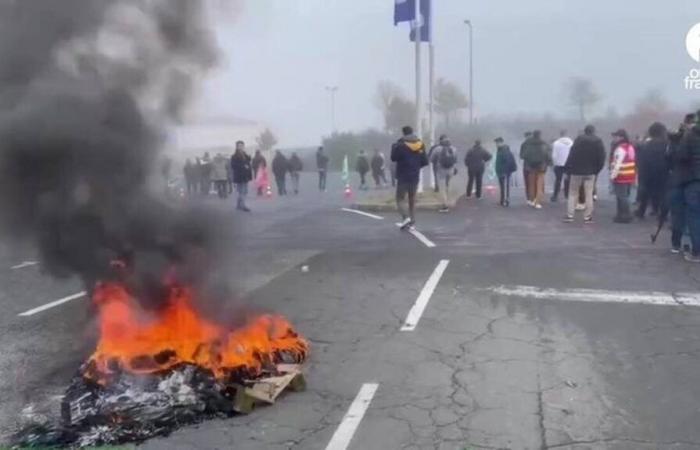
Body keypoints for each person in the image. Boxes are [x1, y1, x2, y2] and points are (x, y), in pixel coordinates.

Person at [563, 125, 606, 223]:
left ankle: (570, 215)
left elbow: (571, 155)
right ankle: (587, 216)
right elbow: (602, 157)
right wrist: (596, 170)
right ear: (594, 131)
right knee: (589, 194)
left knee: (573, 193)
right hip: (590, 172)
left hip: (576, 171)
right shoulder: (598, 141)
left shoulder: (578, 140)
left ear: (584, 131)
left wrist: (568, 169)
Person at [391, 125, 428, 229]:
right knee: (412, 198)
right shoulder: (420, 144)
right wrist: (416, 166)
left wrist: (395, 147)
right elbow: (425, 161)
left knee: (400, 198)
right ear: (412, 132)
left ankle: (405, 217)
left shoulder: (400, 145)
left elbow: (393, 158)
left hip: (403, 175)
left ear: (403, 133)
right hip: (415, 175)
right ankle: (412, 221)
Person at [677, 112, 700, 262]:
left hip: (693, 179)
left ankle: (696, 252)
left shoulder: (690, 135)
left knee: (694, 215)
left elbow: (681, 156)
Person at [636, 122, 669, 219]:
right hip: (663, 172)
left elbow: (641, 160)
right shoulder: (667, 144)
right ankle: (662, 214)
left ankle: (641, 211)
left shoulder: (646, 145)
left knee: (645, 193)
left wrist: (641, 174)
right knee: (663, 194)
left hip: (647, 173)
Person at [610, 129, 637, 224]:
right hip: (629, 175)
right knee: (624, 196)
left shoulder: (620, 149)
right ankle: (622, 214)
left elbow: (617, 163)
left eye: (616, 136)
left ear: (621, 137)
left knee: (621, 197)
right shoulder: (630, 147)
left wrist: (613, 176)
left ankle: (625, 215)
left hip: (621, 175)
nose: (615, 138)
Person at [522, 130, 552, 209]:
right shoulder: (544, 144)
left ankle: (531, 200)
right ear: (540, 135)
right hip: (541, 166)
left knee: (531, 184)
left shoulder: (528, 144)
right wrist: (550, 163)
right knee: (539, 185)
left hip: (531, 166)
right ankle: (538, 202)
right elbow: (548, 155)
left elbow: (523, 155)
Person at [433, 136, 458, 212]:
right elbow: (456, 160)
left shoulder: (437, 149)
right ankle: (450, 201)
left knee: (442, 188)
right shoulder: (454, 149)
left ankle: (445, 206)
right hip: (451, 170)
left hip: (441, 170)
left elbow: (431, 159)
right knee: (449, 185)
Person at [551, 130, 573, 202]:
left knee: (558, 180)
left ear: (560, 135)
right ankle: (567, 195)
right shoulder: (571, 142)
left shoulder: (556, 143)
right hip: (569, 164)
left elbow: (554, 155)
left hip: (559, 164)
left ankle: (555, 196)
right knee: (568, 180)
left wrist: (554, 163)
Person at [494, 137, 517, 207]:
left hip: (504, 172)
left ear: (501, 142)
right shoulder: (500, 150)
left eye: (497, 143)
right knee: (503, 187)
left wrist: (505, 171)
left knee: (504, 187)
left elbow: (508, 162)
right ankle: (503, 200)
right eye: (496, 143)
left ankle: (505, 200)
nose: (496, 144)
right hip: (501, 171)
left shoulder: (504, 150)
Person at [231, 141, 253, 212]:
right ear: (237, 147)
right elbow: (233, 166)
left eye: (242, 146)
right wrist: (244, 166)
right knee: (242, 191)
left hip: (245, 175)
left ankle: (238, 205)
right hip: (240, 176)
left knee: (244, 191)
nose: (241, 147)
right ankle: (243, 206)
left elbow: (247, 162)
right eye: (239, 146)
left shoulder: (244, 154)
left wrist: (249, 158)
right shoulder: (234, 156)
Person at [519, 131, 533, 201]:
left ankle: (528, 197)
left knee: (527, 182)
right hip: (536, 166)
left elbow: (521, 156)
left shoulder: (524, 144)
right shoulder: (538, 143)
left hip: (527, 165)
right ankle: (536, 196)